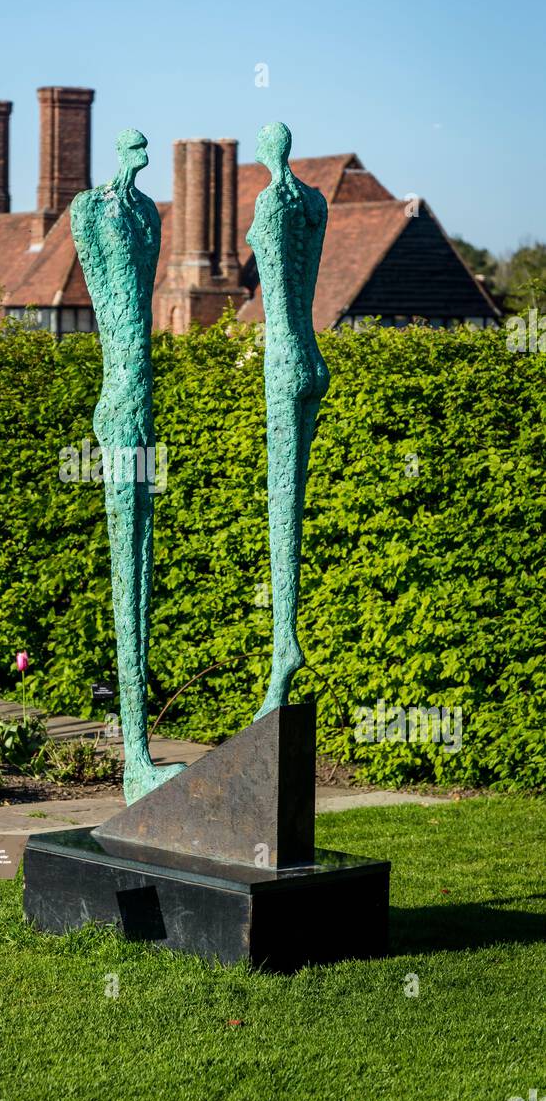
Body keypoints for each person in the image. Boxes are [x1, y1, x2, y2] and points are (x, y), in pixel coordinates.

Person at [71, 129, 187, 803]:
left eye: (147, 148)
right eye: (133, 146)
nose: (142, 154)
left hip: (142, 400)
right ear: (119, 151)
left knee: (140, 566)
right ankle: (133, 755)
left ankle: (139, 754)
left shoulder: (149, 214)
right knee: (127, 566)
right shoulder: (90, 209)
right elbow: (97, 281)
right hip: (119, 404)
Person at [246, 122, 329, 720]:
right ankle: (286, 642)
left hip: (281, 359)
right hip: (314, 358)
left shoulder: (270, 200)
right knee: (292, 503)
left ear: (264, 154)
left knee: (282, 506)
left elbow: (271, 275)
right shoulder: (315, 201)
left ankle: (284, 648)